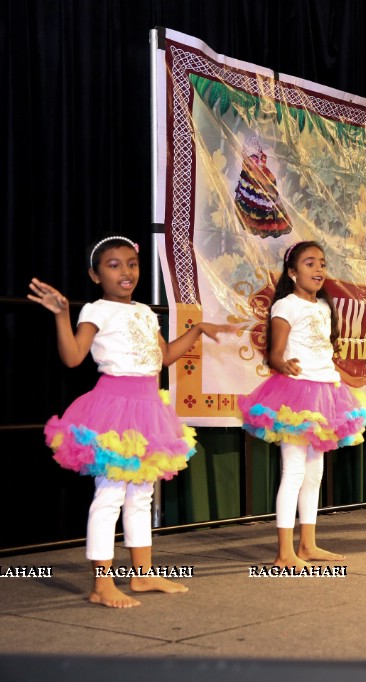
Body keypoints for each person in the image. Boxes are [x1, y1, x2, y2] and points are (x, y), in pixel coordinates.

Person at [29, 235, 235, 608]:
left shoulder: (143, 311)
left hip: (147, 406)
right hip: (114, 406)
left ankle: (141, 576)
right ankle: (101, 583)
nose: (126, 271)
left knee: (140, 495)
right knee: (109, 496)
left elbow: (165, 356)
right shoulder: (96, 310)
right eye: (114, 265)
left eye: (132, 264)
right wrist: (61, 314)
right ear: (95, 275)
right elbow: (74, 357)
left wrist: (199, 330)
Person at [238, 241, 366, 571]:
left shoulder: (324, 307)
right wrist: (281, 364)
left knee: (315, 473)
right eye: (310, 263)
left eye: (322, 264)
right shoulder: (286, 305)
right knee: (295, 470)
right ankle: (285, 551)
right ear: (292, 272)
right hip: (296, 396)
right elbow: (275, 351)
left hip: (327, 392)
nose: (318, 269)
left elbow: (324, 355)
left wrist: (350, 380)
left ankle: (308, 544)